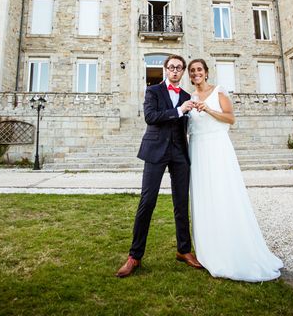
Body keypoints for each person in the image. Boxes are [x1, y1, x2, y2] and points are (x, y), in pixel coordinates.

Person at [187, 58, 283, 282]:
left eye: (199, 69)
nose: (195, 73)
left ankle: (230, 245)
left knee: (223, 193)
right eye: (192, 71)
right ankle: (208, 248)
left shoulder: (218, 92)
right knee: (204, 197)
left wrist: (209, 109)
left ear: (206, 72)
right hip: (197, 149)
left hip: (218, 148)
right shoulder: (188, 98)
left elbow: (231, 119)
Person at [116, 55, 203, 277]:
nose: (175, 71)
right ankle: (134, 256)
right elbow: (150, 117)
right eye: (171, 67)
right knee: (147, 201)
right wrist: (179, 110)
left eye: (179, 68)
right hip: (155, 150)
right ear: (165, 69)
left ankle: (184, 250)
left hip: (179, 153)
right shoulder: (153, 91)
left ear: (183, 72)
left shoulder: (186, 96)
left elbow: (190, 125)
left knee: (181, 203)